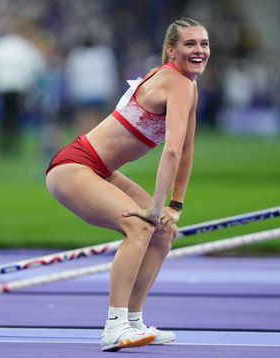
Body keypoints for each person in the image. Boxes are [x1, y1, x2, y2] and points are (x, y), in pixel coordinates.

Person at [46, 18, 210, 352]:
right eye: (189, 44)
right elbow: (173, 150)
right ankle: (114, 326)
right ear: (171, 50)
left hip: (101, 169)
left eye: (204, 44)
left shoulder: (187, 86)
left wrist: (174, 206)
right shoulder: (176, 83)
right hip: (74, 166)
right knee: (139, 227)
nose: (199, 50)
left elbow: (187, 151)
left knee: (163, 232)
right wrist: (154, 206)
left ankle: (134, 321)